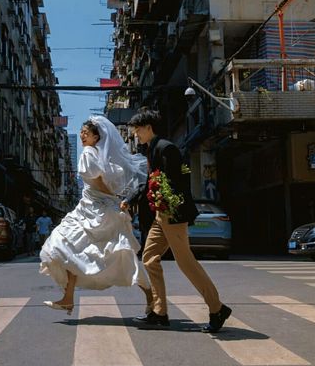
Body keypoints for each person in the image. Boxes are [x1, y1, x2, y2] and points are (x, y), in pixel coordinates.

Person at [121, 108, 231, 333]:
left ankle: (217, 307)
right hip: (161, 214)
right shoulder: (152, 149)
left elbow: (176, 182)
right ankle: (159, 312)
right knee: (150, 258)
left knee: (186, 262)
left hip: (173, 213)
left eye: (137, 130)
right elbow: (151, 181)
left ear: (148, 128)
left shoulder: (166, 148)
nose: (135, 135)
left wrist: (166, 205)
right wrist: (133, 198)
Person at [40, 116, 151, 315]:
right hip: (95, 210)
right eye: (81, 132)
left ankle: (152, 295)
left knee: (63, 246)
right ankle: (68, 298)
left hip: (96, 210)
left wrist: (114, 198)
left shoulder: (89, 153)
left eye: (86, 133)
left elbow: (98, 182)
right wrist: (116, 200)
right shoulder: (103, 155)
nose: (82, 135)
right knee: (71, 250)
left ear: (96, 136)